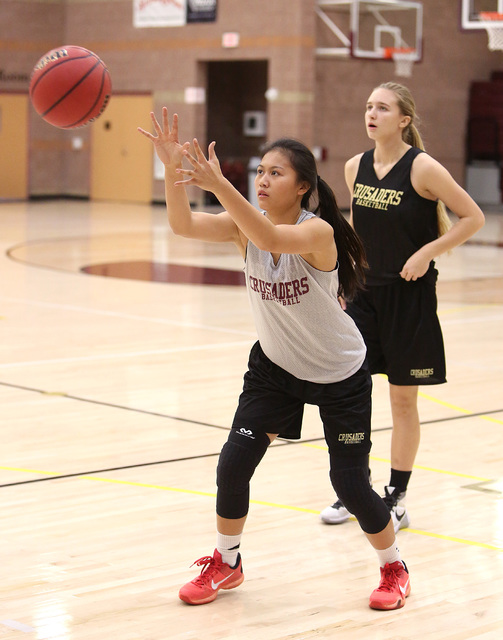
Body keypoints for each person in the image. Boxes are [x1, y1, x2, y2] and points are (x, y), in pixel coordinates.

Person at [138, 107, 411, 610]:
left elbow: (269, 239)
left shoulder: (318, 233)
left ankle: (393, 567)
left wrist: (219, 184)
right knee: (233, 464)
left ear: (303, 187)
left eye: (275, 173)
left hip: (339, 372)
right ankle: (228, 561)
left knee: (350, 485)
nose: (263, 180)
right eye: (260, 171)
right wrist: (171, 170)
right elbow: (181, 225)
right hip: (276, 366)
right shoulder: (246, 225)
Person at [320, 82, 485, 532]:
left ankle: (397, 494)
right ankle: (354, 488)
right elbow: (354, 232)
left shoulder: (423, 168)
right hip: (364, 298)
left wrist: (428, 251)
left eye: (383, 108)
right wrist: (341, 280)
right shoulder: (356, 167)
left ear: (404, 120)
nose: (372, 114)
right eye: (368, 106)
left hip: (409, 300)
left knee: (402, 401)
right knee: (350, 394)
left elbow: (473, 218)